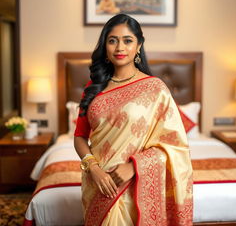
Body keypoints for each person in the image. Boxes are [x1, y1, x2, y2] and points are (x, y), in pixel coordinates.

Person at [74, 14, 193, 226]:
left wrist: (134, 167)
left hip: (133, 186)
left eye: (127, 40)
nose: (120, 47)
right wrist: (94, 169)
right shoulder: (93, 86)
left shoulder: (155, 89)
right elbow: (80, 137)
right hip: (97, 185)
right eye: (113, 40)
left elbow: (175, 145)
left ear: (138, 45)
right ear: (105, 45)